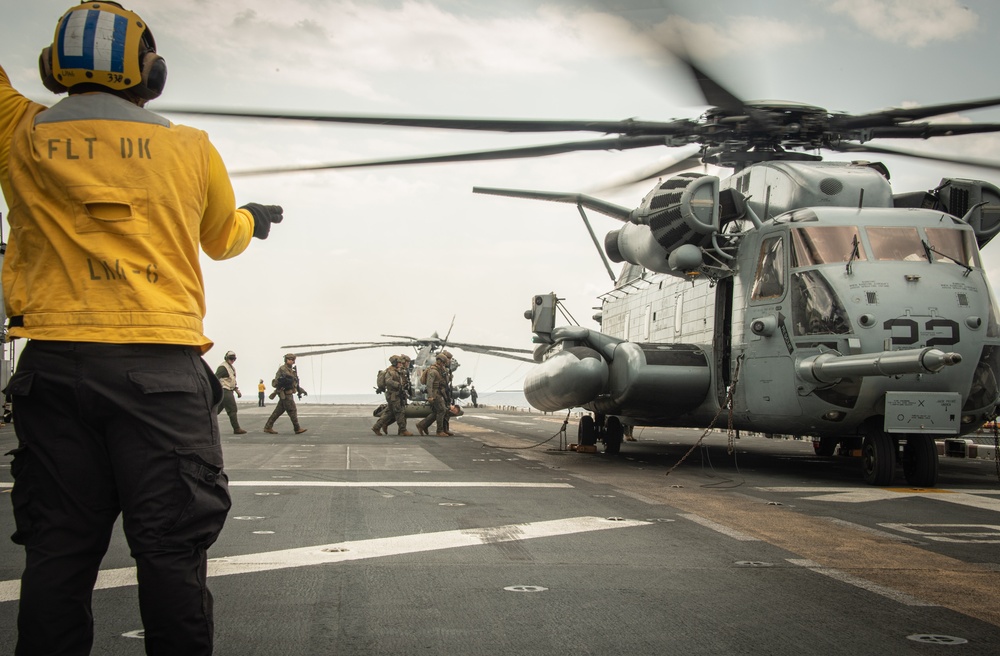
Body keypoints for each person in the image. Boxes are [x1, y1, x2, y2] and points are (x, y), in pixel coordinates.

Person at [0, 3, 285, 654]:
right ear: (150, 75)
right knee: (171, 555)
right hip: (159, 375)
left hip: (52, 369)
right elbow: (220, 240)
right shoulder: (188, 148)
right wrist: (249, 218)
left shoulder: (18, 130)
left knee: (58, 553)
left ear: (53, 69)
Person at [264, 353, 307, 434]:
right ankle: (297, 428)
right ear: (286, 360)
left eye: (293, 360)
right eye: (290, 359)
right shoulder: (283, 369)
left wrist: (301, 390)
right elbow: (277, 382)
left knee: (278, 412)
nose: (292, 361)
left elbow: (294, 384)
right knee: (292, 410)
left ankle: (268, 427)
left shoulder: (292, 370)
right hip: (285, 394)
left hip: (288, 393)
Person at [373, 354, 413, 436]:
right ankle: (403, 430)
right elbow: (388, 381)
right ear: (395, 363)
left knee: (389, 413)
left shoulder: (397, 371)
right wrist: (398, 385)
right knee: (400, 412)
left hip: (396, 395)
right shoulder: (391, 372)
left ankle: (377, 427)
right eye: (399, 362)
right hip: (394, 395)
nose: (400, 364)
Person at [416, 354, 452, 436]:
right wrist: (430, 396)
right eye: (443, 362)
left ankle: (422, 425)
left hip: (442, 393)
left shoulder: (441, 370)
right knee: (442, 410)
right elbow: (429, 385)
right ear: (439, 361)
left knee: (438, 411)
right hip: (436, 394)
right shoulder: (433, 371)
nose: (444, 364)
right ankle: (439, 431)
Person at [215, 351, 246, 434]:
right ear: (226, 358)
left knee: (215, 411)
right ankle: (236, 429)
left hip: (229, 390)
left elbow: (232, 380)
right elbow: (214, 379)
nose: (232, 360)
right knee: (232, 409)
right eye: (231, 358)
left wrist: (237, 390)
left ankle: (203, 424)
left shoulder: (231, 368)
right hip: (225, 390)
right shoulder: (223, 367)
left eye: (234, 359)